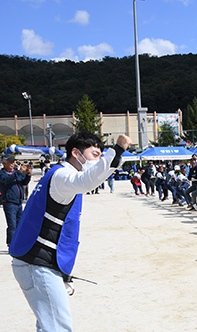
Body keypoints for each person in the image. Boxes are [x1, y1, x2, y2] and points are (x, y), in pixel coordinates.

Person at [9, 131, 131, 331]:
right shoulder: (63, 176)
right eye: (94, 155)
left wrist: (63, 273)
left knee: (48, 324)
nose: (97, 161)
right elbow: (86, 181)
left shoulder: (59, 175)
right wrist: (117, 150)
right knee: (57, 327)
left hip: (39, 263)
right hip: (37, 264)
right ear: (76, 153)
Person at [0, 154, 32, 246]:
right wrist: (18, 172)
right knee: (12, 225)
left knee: (19, 224)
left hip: (18, 203)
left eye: (13, 162)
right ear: (4, 163)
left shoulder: (15, 173)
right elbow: (6, 180)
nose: (12, 164)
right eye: (10, 162)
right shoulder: (2, 173)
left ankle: (18, 242)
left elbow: (24, 182)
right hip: (9, 203)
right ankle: (11, 243)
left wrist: (28, 175)